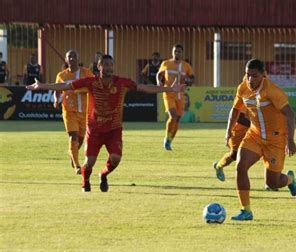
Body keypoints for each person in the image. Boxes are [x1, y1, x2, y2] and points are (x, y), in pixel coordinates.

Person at [27, 54, 183, 192]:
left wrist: (169, 89)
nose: (109, 67)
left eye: (111, 65)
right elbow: (65, 86)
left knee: (115, 158)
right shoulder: (90, 82)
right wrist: (42, 86)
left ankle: (103, 175)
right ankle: (85, 180)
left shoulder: (121, 82)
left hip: (113, 129)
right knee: (89, 163)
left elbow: (145, 87)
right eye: (106, 65)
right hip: (94, 130)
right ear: (99, 66)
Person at [225, 59, 296, 221]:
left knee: (273, 183)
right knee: (240, 166)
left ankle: (290, 179)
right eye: (247, 75)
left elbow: (290, 114)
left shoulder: (272, 91)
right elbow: (235, 110)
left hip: (276, 140)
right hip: (254, 135)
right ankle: (246, 210)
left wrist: (290, 140)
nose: (250, 79)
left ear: (263, 75)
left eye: (254, 76)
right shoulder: (243, 88)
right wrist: (228, 130)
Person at [54, 50, 94, 174]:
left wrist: (82, 90)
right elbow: (57, 90)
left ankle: (72, 154)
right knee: (73, 136)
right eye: (69, 57)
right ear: (66, 60)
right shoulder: (61, 75)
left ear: (78, 58)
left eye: (74, 56)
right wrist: (56, 100)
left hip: (84, 111)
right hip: (69, 110)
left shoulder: (86, 72)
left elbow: (94, 85)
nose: (72, 59)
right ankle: (77, 166)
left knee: (80, 140)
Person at [157, 44, 195, 150]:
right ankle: (166, 138)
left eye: (179, 51)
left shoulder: (186, 66)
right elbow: (159, 74)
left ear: (182, 53)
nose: (177, 53)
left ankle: (169, 141)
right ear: (172, 52)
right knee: (173, 116)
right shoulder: (166, 63)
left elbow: (192, 78)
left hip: (180, 95)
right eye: (175, 51)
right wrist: (159, 82)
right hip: (168, 94)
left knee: (177, 119)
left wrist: (188, 81)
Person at [213, 108, 250, 181]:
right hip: (239, 128)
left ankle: (269, 182)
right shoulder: (244, 97)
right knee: (235, 154)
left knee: (263, 150)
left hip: (256, 129)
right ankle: (219, 165)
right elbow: (237, 114)